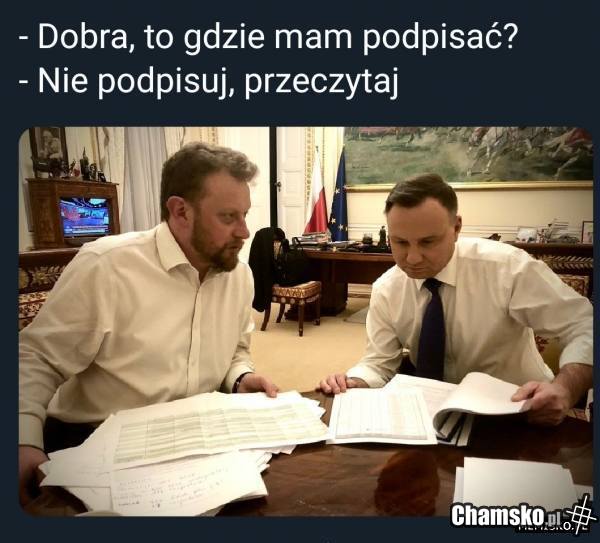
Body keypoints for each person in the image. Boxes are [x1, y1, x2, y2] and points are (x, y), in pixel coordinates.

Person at [19, 142, 279, 506]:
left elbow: (236, 350)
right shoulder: (106, 267)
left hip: (195, 443)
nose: (244, 231)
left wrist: (240, 378)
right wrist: (23, 441)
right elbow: (36, 359)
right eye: (228, 217)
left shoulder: (239, 277)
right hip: (94, 446)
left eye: (245, 215)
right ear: (180, 211)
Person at [318, 174, 592, 427]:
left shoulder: (507, 268)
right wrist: (354, 380)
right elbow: (378, 364)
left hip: (521, 412)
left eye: (427, 242)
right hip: (433, 417)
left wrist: (565, 388)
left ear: (456, 227)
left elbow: (585, 325)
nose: (412, 258)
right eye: (400, 242)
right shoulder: (387, 289)